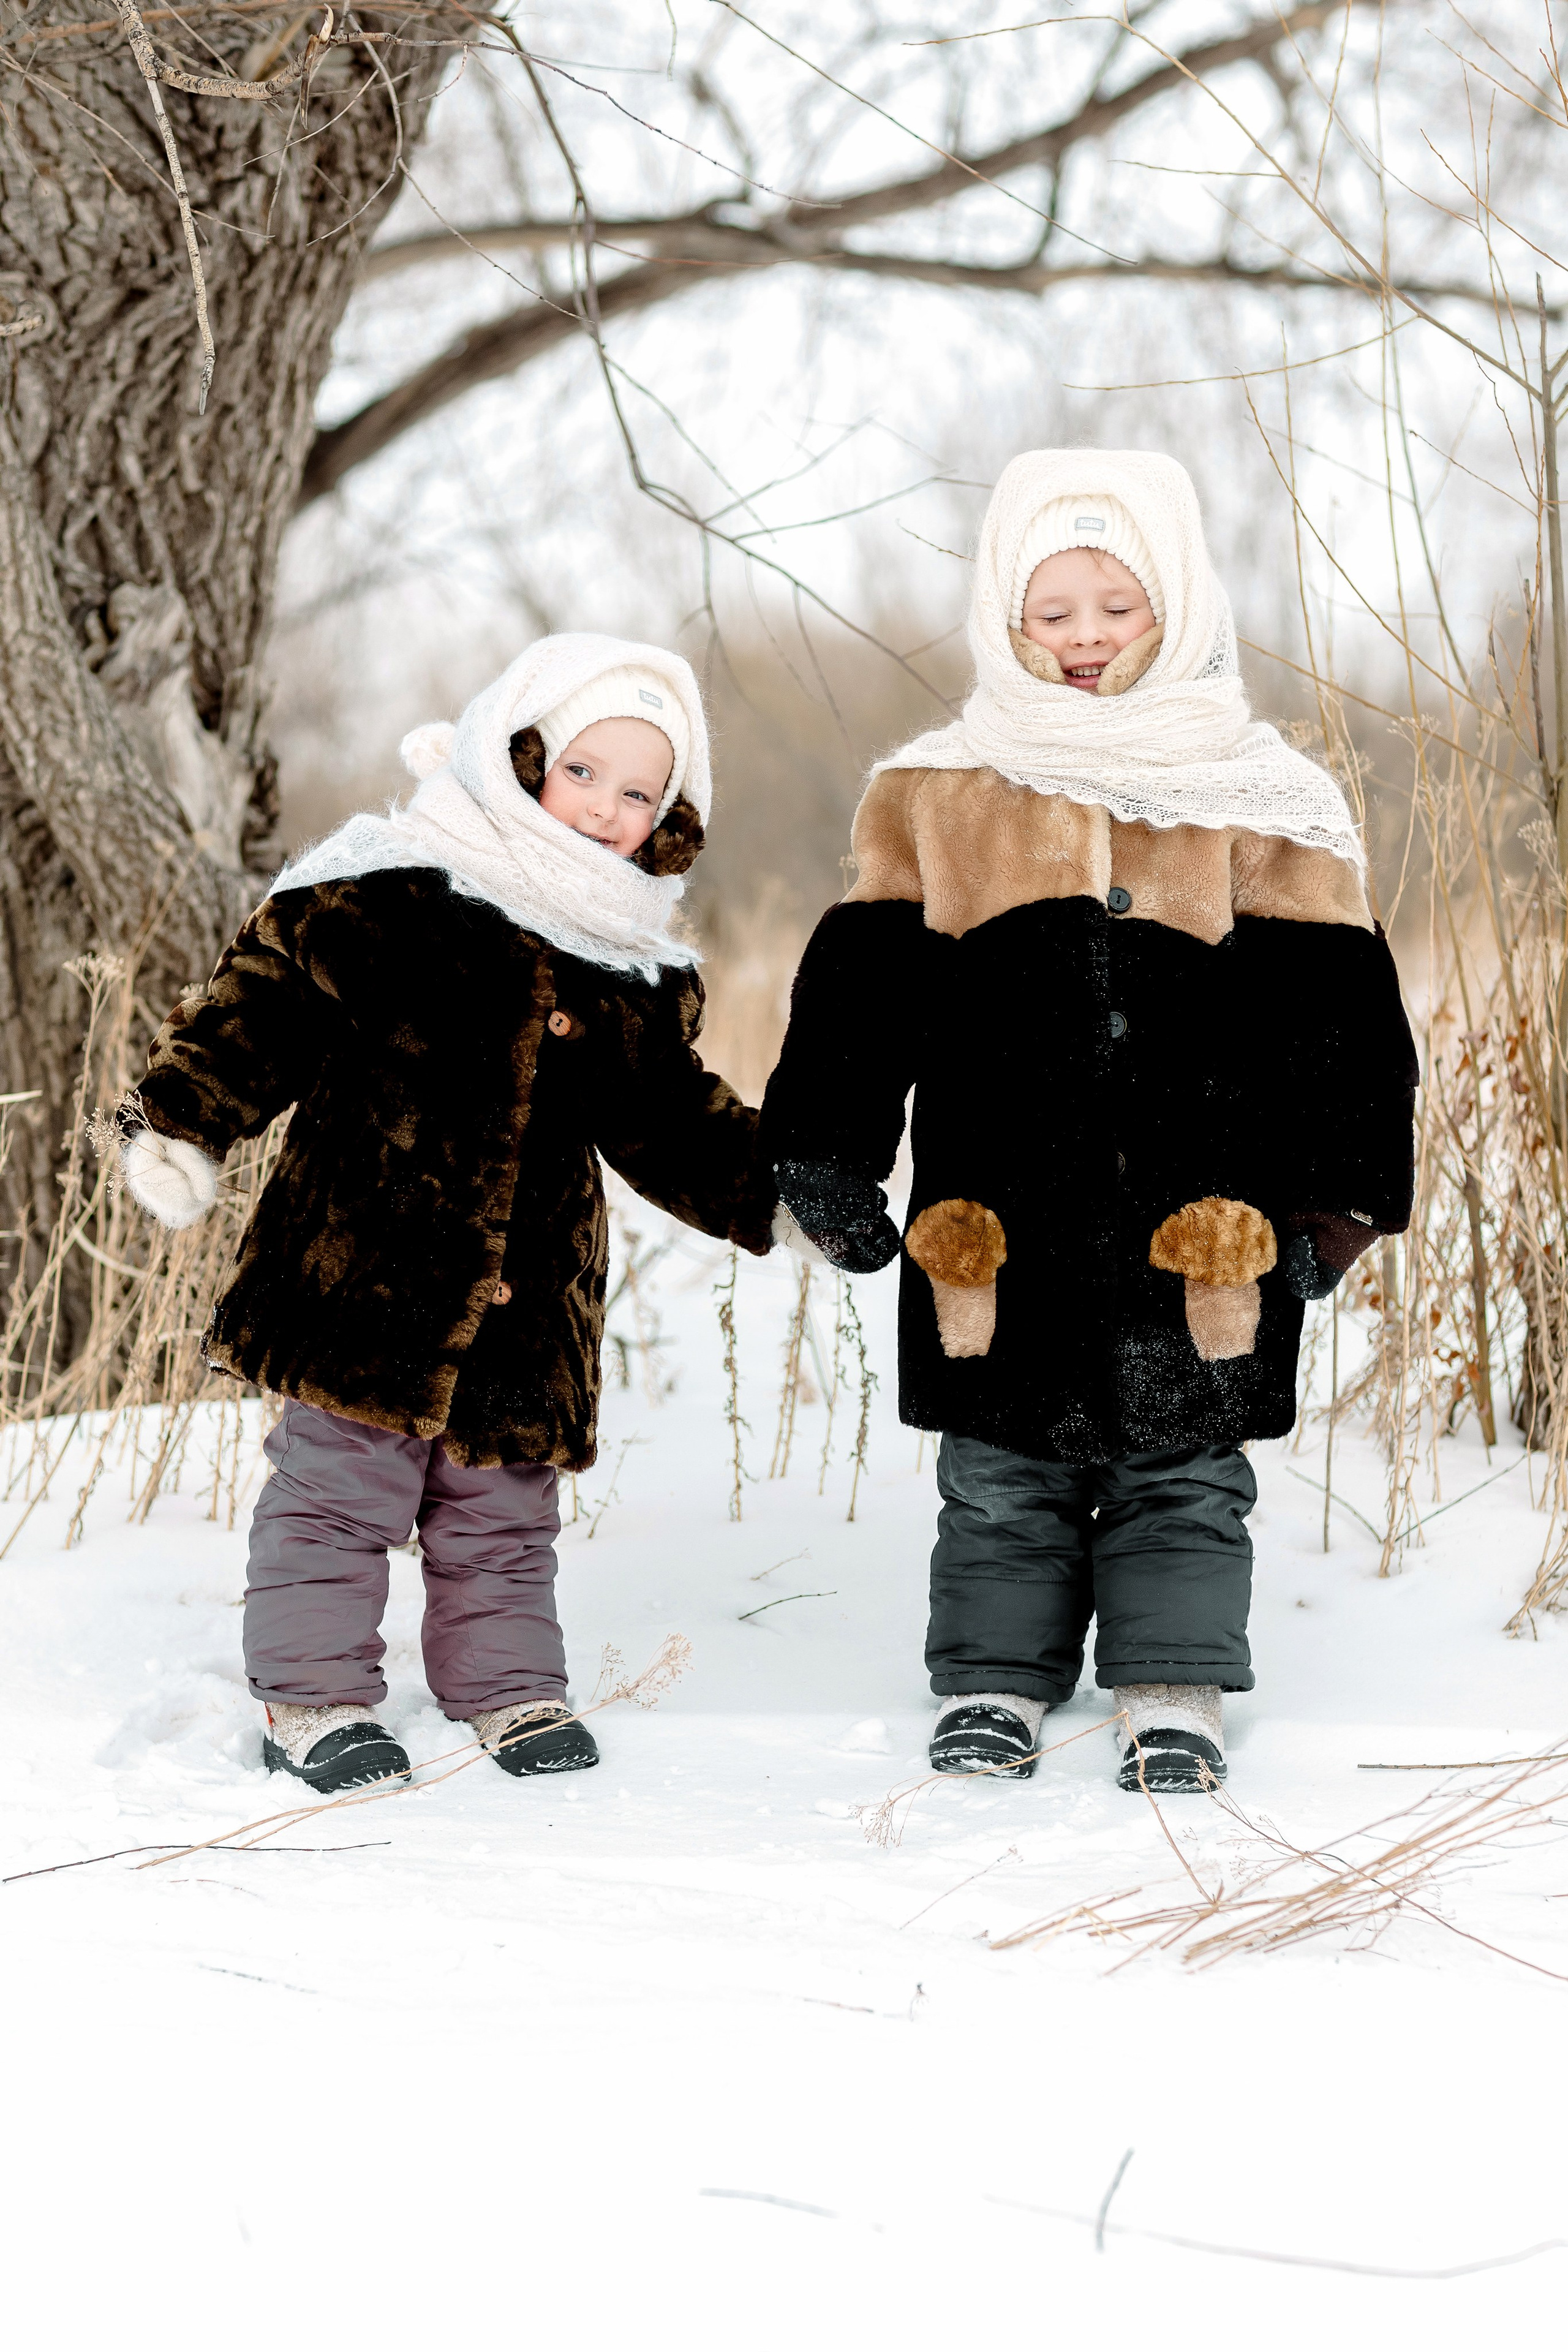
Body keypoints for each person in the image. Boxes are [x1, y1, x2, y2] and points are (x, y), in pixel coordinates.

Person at [761, 450, 1417, 1792]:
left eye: (1114, 606)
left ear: (1172, 600)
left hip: (1204, 1215)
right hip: (998, 1204)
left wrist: (1334, 1207)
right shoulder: (936, 788)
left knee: (1183, 1464)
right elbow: (862, 989)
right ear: (1003, 620)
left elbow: (1338, 1015)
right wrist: (826, 1151)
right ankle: (994, 1684)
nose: (1081, 638)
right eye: (1048, 610)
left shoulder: (1255, 787)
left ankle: (1170, 1688)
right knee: (999, 1468)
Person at [119, 635, 774, 1793]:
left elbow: (674, 1120)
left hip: (530, 1306)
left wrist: (777, 1192)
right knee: (335, 1497)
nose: (604, 810)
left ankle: (508, 1688)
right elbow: (260, 1007)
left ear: (668, 820)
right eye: (583, 773)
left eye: (640, 794)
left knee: (503, 1512)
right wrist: (179, 1119)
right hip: (362, 1277)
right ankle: (314, 1697)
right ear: (519, 754)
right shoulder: (387, 887)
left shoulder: (632, 968)